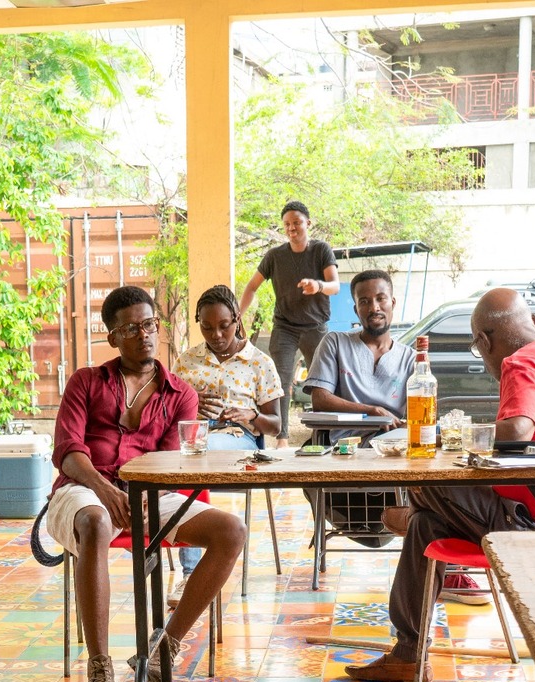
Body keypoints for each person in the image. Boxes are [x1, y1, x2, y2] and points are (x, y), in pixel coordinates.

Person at [344, 286, 535, 682]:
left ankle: (415, 508)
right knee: (425, 526)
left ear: (483, 341)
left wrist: (456, 433)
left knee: (425, 474)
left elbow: (518, 430)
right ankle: (408, 653)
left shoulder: (522, 362)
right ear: (533, 323)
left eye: (478, 349)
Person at [46, 284, 245, 682]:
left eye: (151, 325)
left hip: (148, 492)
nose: (145, 335)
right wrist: (105, 487)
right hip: (80, 490)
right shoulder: (86, 382)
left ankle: (161, 653)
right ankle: (99, 673)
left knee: (231, 531)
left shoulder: (180, 395)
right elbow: (68, 451)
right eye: (132, 328)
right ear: (113, 337)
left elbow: (172, 463)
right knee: (97, 521)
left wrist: (145, 487)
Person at [302, 269, 409, 549]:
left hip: (391, 455)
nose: (373, 307)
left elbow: (421, 413)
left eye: (380, 298)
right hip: (343, 452)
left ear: (393, 303)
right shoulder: (335, 342)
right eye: (364, 301)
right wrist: (370, 412)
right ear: (356, 308)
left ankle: (423, 544)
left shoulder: (410, 358)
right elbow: (320, 398)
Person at [238, 200, 339, 396]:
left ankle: (322, 427)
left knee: (323, 383)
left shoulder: (321, 250)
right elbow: (251, 287)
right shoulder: (274, 256)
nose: (292, 227)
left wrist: (318, 286)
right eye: (287, 224)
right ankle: (281, 428)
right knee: (279, 384)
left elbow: (334, 287)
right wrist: (237, 316)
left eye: (297, 222)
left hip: (315, 327)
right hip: (285, 328)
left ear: (308, 223)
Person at [173, 285, 285, 447]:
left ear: (237, 320)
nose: (216, 334)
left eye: (224, 326)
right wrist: (188, 401)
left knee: (206, 447)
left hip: (237, 435)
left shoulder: (259, 362)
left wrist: (251, 415)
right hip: (191, 434)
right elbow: (166, 411)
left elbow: (275, 427)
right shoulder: (186, 361)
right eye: (207, 327)